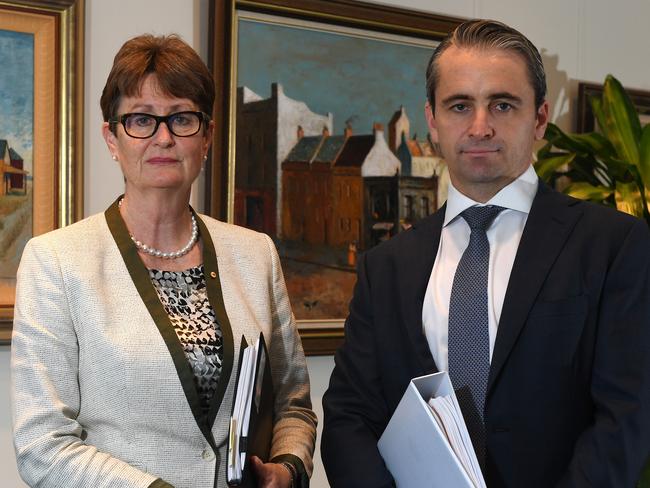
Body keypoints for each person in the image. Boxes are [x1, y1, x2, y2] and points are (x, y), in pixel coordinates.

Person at [322, 19, 650, 487]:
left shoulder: (613, 246)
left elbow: (626, 418)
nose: (480, 127)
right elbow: (349, 416)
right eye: (460, 105)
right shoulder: (387, 266)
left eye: (502, 104)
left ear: (539, 118)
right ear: (432, 120)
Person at [11, 34, 316, 488]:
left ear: (208, 136)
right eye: (140, 120)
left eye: (182, 118)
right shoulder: (55, 261)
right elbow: (42, 444)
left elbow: (294, 403)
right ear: (112, 138)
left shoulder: (256, 254)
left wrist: (287, 469)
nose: (164, 137)